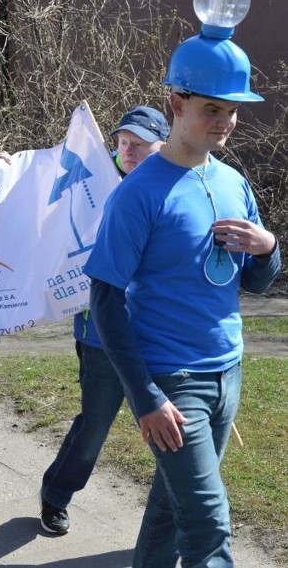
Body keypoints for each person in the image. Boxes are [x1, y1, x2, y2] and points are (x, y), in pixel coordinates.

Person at [86, 8, 281, 566]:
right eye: (211, 109)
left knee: (172, 511)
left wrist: (268, 248)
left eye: (232, 110)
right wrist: (146, 397)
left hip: (229, 371)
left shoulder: (233, 181)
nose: (224, 122)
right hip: (173, 383)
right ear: (176, 103)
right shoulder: (139, 193)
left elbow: (260, 282)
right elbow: (105, 300)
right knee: (208, 527)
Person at [39, 105, 170, 535]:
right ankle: (56, 493)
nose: (128, 151)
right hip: (100, 334)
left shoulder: (171, 185)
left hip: (157, 334)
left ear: (161, 147)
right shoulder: (94, 177)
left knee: (171, 426)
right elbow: (46, 193)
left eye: (139, 145)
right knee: (95, 426)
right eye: (123, 142)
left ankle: (178, 511)